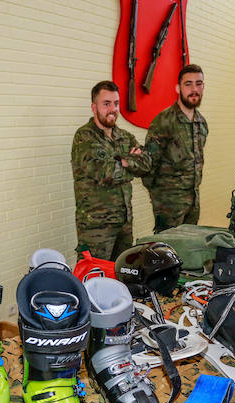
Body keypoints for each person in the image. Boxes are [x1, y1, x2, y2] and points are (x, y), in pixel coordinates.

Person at [71, 81, 151, 260]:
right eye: (106, 104)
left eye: (116, 103)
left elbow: (146, 164)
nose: (113, 109)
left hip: (124, 223)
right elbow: (105, 173)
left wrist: (122, 162)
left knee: (122, 275)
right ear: (94, 107)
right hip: (96, 228)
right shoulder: (84, 137)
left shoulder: (124, 136)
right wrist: (131, 161)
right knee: (93, 278)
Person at [143, 64, 208, 233]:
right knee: (167, 252)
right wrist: (161, 199)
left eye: (199, 83)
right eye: (188, 84)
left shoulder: (201, 123)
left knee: (189, 249)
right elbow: (148, 165)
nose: (194, 89)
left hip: (193, 202)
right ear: (178, 88)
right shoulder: (164, 121)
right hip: (168, 206)